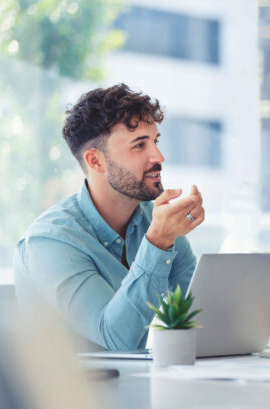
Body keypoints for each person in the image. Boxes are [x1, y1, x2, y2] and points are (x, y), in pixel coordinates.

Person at [14, 83, 203, 351]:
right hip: (71, 391)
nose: (158, 156)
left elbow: (197, 316)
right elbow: (115, 338)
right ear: (95, 161)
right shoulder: (50, 241)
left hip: (135, 386)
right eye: (139, 145)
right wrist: (158, 243)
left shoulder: (156, 223)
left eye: (155, 142)